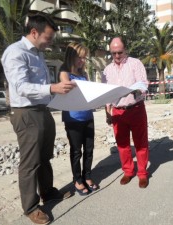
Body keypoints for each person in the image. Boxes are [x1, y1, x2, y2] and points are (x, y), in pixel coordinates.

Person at [1, 15, 76, 225]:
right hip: (25, 113)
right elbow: (21, 87)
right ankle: (31, 207)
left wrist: (59, 93)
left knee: (45, 157)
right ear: (34, 33)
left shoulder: (38, 54)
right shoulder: (16, 53)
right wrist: (53, 88)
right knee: (30, 163)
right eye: (48, 37)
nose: (50, 42)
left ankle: (48, 192)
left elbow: (41, 87)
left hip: (42, 110)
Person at [102, 37, 149, 188]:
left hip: (135, 109)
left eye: (120, 52)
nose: (116, 56)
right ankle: (128, 171)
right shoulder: (107, 70)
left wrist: (134, 90)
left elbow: (144, 84)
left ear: (125, 50)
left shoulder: (135, 64)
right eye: (113, 53)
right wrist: (107, 112)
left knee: (141, 143)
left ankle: (142, 173)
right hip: (117, 111)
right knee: (122, 144)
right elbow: (105, 94)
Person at [59, 42, 98, 196]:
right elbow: (64, 88)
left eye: (84, 58)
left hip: (88, 115)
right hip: (73, 118)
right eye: (80, 58)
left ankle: (87, 176)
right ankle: (77, 180)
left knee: (89, 149)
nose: (82, 61)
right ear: (71, 57)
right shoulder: (64, 71)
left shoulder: (84, 74)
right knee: (76, 151)